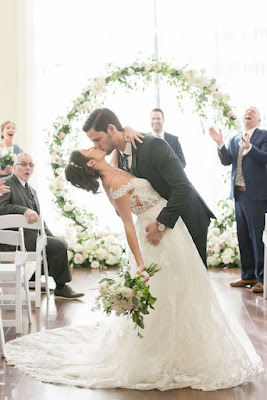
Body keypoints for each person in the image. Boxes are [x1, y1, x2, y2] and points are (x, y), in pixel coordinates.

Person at [4, 147, 263, 391]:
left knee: (186, 286)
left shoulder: (115, 164)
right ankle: (163, 350)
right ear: (91, 163)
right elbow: (128, 226)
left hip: (172, 228)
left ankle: (188, 343)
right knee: (164, 292)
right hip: (153, 236)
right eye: (89, 149)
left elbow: (119, 144)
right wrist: (139, 263)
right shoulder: (113, 184)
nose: (93, 146)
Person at [83, 108, 215, 267]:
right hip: (164, 231)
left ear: (111, 129)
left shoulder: (154, 146)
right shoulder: (121, 157)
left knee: (195, 281)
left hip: (188, 219)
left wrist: (160, 224)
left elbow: (182, 187)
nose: (96, 146)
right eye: (93, 143)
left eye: (98, 139)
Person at [0, 153, 84, 300]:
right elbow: (2, 207)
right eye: (24, 164)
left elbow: (39, 220)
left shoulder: (32, 190)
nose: (28, 168)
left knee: (59, 242)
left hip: (32, 237)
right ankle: (61, 287)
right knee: (58, 246)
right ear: (14, 167)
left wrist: (50, 235)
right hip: (14, 238)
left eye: (31, 165)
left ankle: (33, 278)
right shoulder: (6, 183)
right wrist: (24, 210)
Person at [209, 106, 267, 294]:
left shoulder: (263, 136)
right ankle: (248, 275)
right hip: (239, 195)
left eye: (252, 111)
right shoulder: (234, 138)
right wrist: (220, 144)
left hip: (256, 195)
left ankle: (262, 279)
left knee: (257, 237)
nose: (248, 113)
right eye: (246, 111)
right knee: (243, 236)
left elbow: (265, 158)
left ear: (258, 120)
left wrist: (250, 148)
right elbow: (226, 161)